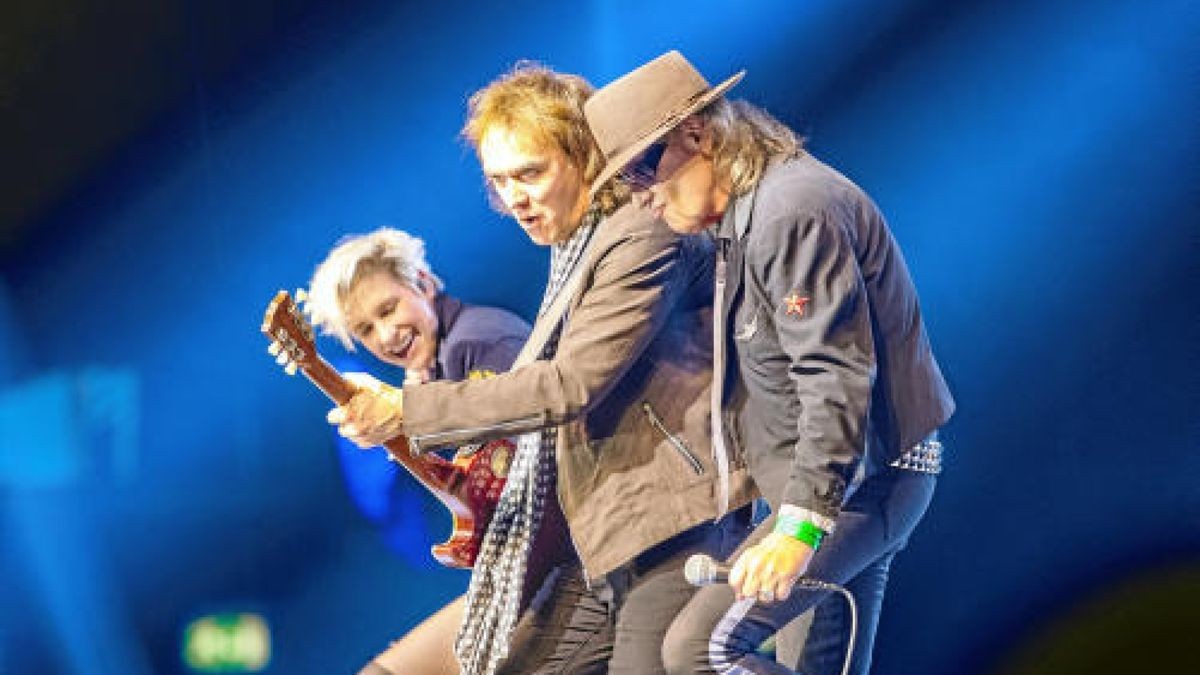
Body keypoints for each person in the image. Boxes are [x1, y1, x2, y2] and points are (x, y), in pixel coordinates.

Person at [327, 64, 757, 675]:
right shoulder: (573, 252)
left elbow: (568, 386)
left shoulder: (638, 234)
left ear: (583, 154)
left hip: (671, 519)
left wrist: (407, 410)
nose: (514, 198)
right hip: (604, 537)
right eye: (499, 181)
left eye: (530, 173)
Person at [583, 51, 956, 674]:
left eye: (642, 173)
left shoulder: (791, 210)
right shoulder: (744, 220)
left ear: (697, 134)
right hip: (834, 487)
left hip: (862, 483)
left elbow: (834, 374)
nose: (640, 199)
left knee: (699, 650)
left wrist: (799, 530)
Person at [305, 227, 532, 675]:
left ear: (424, 283)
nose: (386, 336)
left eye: (389, 309)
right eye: (365, 330)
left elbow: (531, 468)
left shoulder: (476, 343)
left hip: (552, 574)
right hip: (516, 574)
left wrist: (409, 419)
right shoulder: (435, 366)